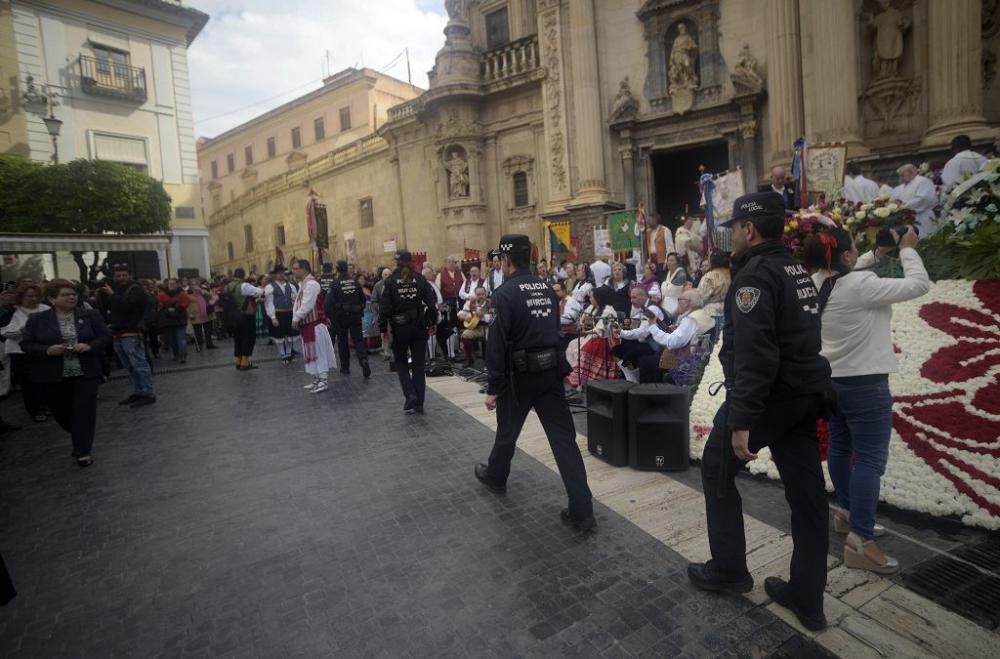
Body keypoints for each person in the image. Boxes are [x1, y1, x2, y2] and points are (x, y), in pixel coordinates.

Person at [686, 191, 832, 632]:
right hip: (804, 394)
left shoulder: (755, 278)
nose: (732, 235)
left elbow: (755, 355)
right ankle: (808, 597)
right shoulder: (795, 269)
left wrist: (742, 422)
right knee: (807, 499)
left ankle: (729, 569)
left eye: (734, 227)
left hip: (770, 398)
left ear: (749, 229)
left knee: (716, 467)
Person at [804, 225, 929, 575]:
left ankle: (846, 512)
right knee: (871, 461)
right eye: (855, 248)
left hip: (832, 385)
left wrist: (877, 253)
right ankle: (860, 538)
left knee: (842, 449)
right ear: (845, 255)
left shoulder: (816, 282)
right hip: (866, 386)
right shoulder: (860, 285)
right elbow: (919, 285)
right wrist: (906, 249)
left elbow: (845, 275)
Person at [475, 234, 595, 532]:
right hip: (549, 374)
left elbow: (497, 346)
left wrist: (493, 387)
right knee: (564, 442)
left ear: (504, 261)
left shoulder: (505, 293)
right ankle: (582, 510)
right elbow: (553, 331)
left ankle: (497, 476)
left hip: (519, 379)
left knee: (507, 432)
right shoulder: (546, 288)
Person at [21, 279, 111, 467]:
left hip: (85, 372)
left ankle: (82, 451)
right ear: (52, 299)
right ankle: (79, 432)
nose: (71, 297)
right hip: (53, 374)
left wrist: (89, 345)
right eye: (65, 294)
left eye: (73, 294)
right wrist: (47, 350)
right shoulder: (38, 320)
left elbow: (105, 337)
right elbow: (26, 345)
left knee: (84, 411)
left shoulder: (90, 315)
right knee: (61, 412)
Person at [380, 250, 439, 413]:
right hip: (419, 326)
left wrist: (383, 329)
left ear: (396, 263)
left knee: (401, 363)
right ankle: (419, 401)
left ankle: (410, 394)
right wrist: (433, 322)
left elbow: (384, 309)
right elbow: (431, 302)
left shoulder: (390, 282)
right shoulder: (420, 280)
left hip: (400, 328)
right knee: (419, 366)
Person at [633, 288, 714, 383]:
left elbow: (671, 342)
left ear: (686, 303)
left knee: (645, 361)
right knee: (652, 358)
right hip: (698, 358)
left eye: (679, 300)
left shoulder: (690, 319)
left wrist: (652, 326)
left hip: (685, 362)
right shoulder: (702, 314)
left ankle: (650, 393)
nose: (678, 303)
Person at [105, 264, 156, 407]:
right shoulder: (117, 290)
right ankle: (138, 391)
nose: (121, 278)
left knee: (139, 364)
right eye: (118, 276)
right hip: (118, 332)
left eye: (124, 275)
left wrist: (112, 295)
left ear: (130, 275)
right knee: (129, 366)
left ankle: (147, 393)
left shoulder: (136, 289)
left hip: (131, 332)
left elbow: (128, 305)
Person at [0, 283, 50, 421]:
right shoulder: (12, 312)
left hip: (42, 350)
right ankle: (35, 410)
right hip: (20, 352)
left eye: (36, 296)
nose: (33, 299)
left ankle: (46, 405)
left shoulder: (45, 309)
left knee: (44, 379)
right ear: (21, 297)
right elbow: (4, 332)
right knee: (28, 383)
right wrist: (20, 331)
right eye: (29, 296)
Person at [291, 259, 337, 393]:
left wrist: (296, 318)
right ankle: (316, 377)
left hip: (315, 324)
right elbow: (298, 303)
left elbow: (307, 305)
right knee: (310, 352)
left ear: (303, 269)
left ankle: (323, 379)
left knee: (318, 351)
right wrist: (296, 317)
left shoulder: (311, 284)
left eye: (295, 268)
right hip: (307, 325)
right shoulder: (303, 284)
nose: (293, 271)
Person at [565, 286, 619, 390]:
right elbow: (583, 320)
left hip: (604, 340)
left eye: (591, 297)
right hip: (591, 336)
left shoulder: (609, 311)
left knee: (583, 348)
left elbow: (600, 330)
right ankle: (580, 376)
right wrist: (582, 322)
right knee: (572, 345)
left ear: (598, 298)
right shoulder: (592, 307)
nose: (590, 299)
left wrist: (585, 331)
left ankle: (584, 379)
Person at [324, 260, 371, 378]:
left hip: (341, 317)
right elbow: (363, 299)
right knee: (358, 340)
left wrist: (331, 316)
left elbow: (328, 303)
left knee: (343, 342)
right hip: (355, 315)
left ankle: (345, 367)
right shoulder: (355, 282)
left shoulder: (335, 283)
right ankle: (363, 360)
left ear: (338, 269)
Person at [609, 286, 663, 381]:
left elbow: (643, 333)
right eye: (630, 297)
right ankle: (630, 375)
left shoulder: (652, 309)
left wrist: (622, 332)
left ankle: (632, 378)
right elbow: (639, 319)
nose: (631, 301)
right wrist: (629, 322)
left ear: (643, 296)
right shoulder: (645, 307)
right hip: (647, 342)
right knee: (617, 350)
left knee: (628, 352)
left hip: (656, 346)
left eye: (634, 297)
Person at [223, 268, 265, 370]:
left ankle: (238, 360)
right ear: (243, 275)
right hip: (246, 315)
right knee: (249, 338)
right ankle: (245, 362)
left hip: (232, 316)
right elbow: (259, 292)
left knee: (238, 338)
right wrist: (262, 286)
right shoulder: (244, 285)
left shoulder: (227, 287)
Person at [890, 163, 937, 237]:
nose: (900, 178)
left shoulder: (923, 181)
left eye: (902, 175)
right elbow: (893, 198)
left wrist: (903, 207)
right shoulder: (901, 187)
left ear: (912, 173)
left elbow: (923, 198)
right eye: (899, 176)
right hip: (907, 219)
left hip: (923, 216)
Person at [264, 266, 298, 364]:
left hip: (289, 313)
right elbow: (269, 303)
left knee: (289, 335)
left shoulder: (290, 286)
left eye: (283, 272)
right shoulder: (270, 287)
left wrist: (295, 314)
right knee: (279, 336)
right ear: (275, 275)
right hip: (278, 314)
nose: (281, 274)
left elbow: (295, 300)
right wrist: (273, 317)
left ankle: (288, 353)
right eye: (279, 273)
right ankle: (283, 355)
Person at [456, 286, 492, 367]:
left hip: (487, 327)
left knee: (488, 336)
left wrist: (482, 316)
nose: (480, 296)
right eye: (478, 294)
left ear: (485, 294)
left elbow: (492, 318)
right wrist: (465, 316)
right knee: (465, 335)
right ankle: (470, 359)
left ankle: (488, 360)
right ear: (475, 295)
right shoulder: (470, 302)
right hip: (475, 328)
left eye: (482, 294)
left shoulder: (490, 303)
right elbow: (460, 313)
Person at [157, 278, 190, 363]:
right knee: (172, 339)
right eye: (170, 283)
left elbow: (186, 303)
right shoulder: (162, 294)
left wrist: (177, 307)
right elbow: (160, 305)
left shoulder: (182, 294)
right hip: (168, 319)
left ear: (176, 284)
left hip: (179, 318)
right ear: (167, 285)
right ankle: (176, 354)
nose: (172, 285)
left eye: (173, 283)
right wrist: (167, 308)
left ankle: (183, 354)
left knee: (181, 337)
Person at [697, 251, 732, 320]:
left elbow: (700, 298)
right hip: (728, 311)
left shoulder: (709, 276)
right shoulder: (731, 273)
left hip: (710, 313)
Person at [188, 283, 217, 352]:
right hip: (196, 316)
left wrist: (202, 291)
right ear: (190, 288)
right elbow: (186, 306)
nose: (195, 288)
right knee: (198, 332)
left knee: (208, 331)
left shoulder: (204, 293)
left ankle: (209, 344)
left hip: (206, 315)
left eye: (196, 285)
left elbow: (211, 297)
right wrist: (189, 314)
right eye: (193, 286)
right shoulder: (188, 296)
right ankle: (199, 346)